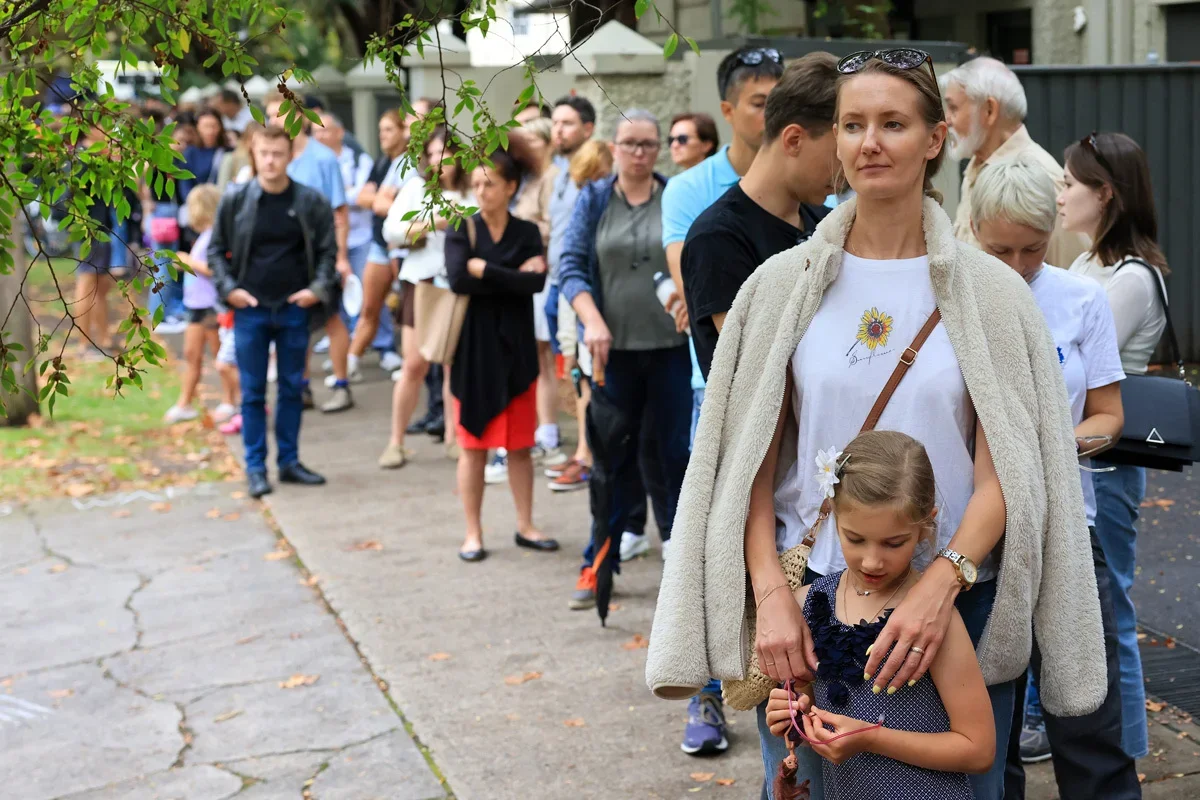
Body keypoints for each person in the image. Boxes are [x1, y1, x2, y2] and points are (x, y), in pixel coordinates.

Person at [646, 49, 1109, 800]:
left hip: (958, 604)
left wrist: (940, 584)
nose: (870, 142)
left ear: (934, 139)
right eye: (853, 124)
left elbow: (1010, 471)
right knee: (809, 786)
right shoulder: (779, 288)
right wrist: (771, 598)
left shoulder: (993, 294)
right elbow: (749, 465)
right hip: (816, 607)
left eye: (893, 123)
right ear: (832, 137)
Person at [969, 159, 1141, 798]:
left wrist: (1052, 447)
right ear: (974, 231)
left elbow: (1108, 416)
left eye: (1033, 249)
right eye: (1000, 250)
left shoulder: (1080, 300)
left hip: (1068, 524)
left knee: (1088, 711)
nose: (1017, 266)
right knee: (992, 717)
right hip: (979, 533)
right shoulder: (953, 297)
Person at [657, 45, 783, 761]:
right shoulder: (692, 192)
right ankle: (706, 688)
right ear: (729, 110)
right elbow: (699, 287)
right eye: (761, 102)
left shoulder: (814, 192)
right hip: (717, 389)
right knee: (721, 546)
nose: (774, 114)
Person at [764, 431, 995, 798]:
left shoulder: (933, 621)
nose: (872, 561)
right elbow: (808, 707)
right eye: (855, 539)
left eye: (893, 543)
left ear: (926, 524)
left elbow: (978, 749)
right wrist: (792, 716)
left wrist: (870, 738)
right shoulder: (808, 603)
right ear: (833, 514)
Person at [1061, 131, 1168, 763]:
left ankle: (1125, 751)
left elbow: (1074, 354)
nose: (1060, 193)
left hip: (1107, 465)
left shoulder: (1129, 280)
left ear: (1104, 194)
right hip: (1082, 462)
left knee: (1112, 615)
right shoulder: (1086, 266)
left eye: (1070, 182)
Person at [559, 110, 691, 609]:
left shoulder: (674, 196)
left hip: (672, 354)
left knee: (674, 458)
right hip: (612, 356)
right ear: (612, 148)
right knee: (610, 462)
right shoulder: (594, 200)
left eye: (648, 144)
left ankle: (684, 574)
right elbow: (571, 267)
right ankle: (598, 563)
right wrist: (591, 319)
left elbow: (696, 260)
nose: (639, 152)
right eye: (630, 143)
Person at [683, 52, 839, 380]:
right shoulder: (717, 238)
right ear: (793, 140)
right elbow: (760, 370)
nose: (844, 171)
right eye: (836, 154)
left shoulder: (827, 222)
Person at [209, 125, 336, 498]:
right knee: (252, 393)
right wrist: (230, 291)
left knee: (292, 388)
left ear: (290, 155)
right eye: (264, 153)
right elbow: (215, 250)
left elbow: (328, 251)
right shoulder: (236, 199)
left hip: (294, 308)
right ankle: (255, 468)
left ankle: (289, 462)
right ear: (253, 153)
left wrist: (316, 290)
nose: (270, 161)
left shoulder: (309, 201)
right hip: (251, 309)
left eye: (278, 154)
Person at [445, 148, 559, 561]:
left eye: (489, 183)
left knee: (520, 446)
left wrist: (486, 270)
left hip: (516, 351)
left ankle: (525, 525)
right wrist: (511, 275)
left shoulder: (526, 231)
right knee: (473, 447)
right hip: (473, 352)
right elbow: (458, 279)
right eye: (475, 183)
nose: (480, 191)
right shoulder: (462, 228)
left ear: (510, 187)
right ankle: (472, 533)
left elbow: (535, 284)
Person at [939, 56, 1088, 270]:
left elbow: (1073, 275)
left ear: (989, 111)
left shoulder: (1041, 177)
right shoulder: (977, 166)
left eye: (953, 108)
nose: (947, 119)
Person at [378, 129, 471, 469]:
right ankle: (396, 441)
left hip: (458, 285)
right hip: (420, 281)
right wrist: (436, 222)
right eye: (431, 154)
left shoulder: (471, 188)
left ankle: (454, 437)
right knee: (413, 364)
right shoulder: (417, 188)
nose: (437, 160)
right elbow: (391, 230)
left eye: (443, 152)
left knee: (453, 366)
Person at [264, 93, 354, 413]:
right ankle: (300, 387)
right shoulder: (274, 157)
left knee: (331, 317)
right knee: (294, 320)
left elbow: (340, 212)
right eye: (269, 115)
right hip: (286, 255)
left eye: (279, 113)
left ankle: (342, 385)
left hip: (321, 253)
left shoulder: (323, 158)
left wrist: (341, 258)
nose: (273, 120)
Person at [542, 95, 598, 492]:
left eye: (567, 123)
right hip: (556, 284)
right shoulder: (560, 170)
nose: (558, 130)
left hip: (577, 288)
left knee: (584, 370)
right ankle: (583, 449)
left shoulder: (594, 171)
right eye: (555, 123)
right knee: (572, 370)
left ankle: (587, 455)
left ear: (588, 129)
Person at [164, 184, 237, 424]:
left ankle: (230, 401)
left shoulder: (216, 236)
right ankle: (185, 402)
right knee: (191, 353)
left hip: (211, 305)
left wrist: (189, 262)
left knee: (221, 357)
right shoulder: (205, 236)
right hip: (195, 304)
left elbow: (216, 270)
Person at [314, 110, 377, 383]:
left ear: (339, 133)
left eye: (324, 129)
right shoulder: (316, 161)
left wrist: (338, 196)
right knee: (335, 300)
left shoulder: (360, 159)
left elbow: (363, 197)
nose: (319, 135)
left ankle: (376, 346)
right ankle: (341, 350)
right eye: (316, 131)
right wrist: (346, 194)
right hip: (330, 240)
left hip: (360, 238)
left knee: (365, 296)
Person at [349, 109, 408, 376]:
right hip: (380, 242)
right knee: (369, 306)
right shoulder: (382, 162)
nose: (382, 135)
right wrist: (382, 200)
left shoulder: (410, 163)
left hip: (403, 245)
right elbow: (364, 198)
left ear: (404, 132)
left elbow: (390, 205)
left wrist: (383, 201)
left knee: (407, 310)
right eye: (381, 129)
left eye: (389, 129)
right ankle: (348, 365)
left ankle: (406, 363)